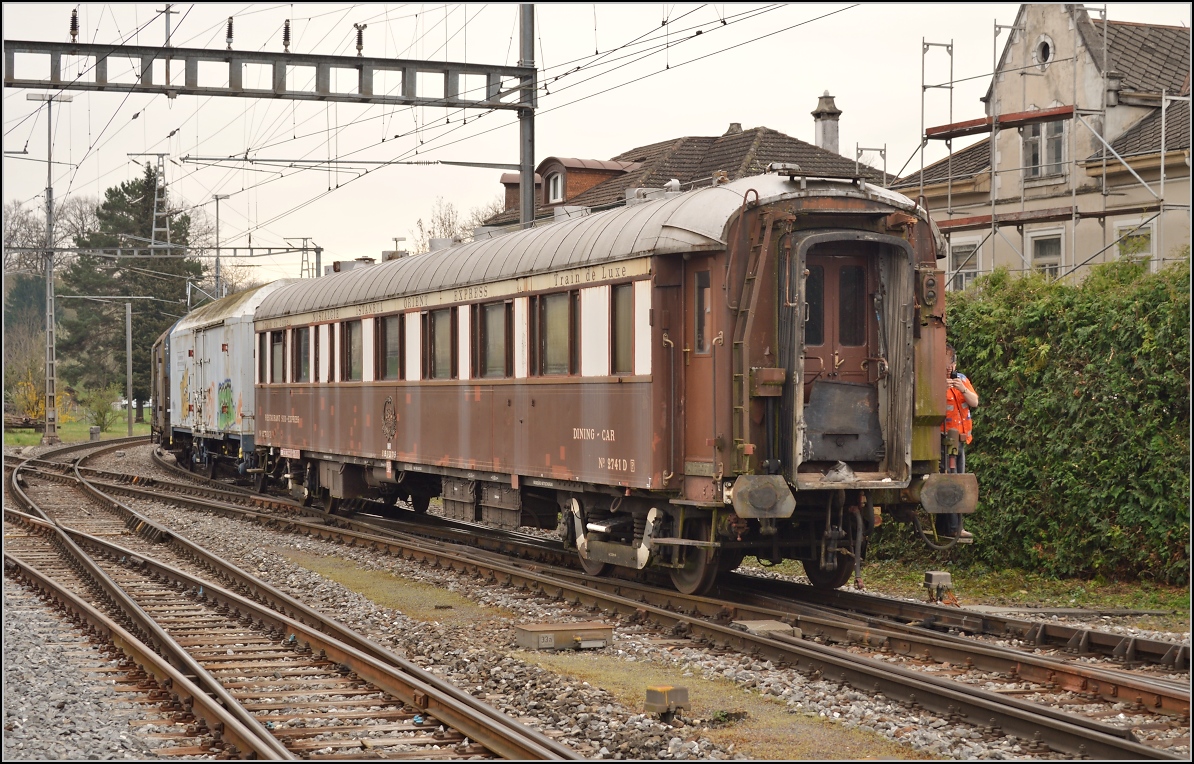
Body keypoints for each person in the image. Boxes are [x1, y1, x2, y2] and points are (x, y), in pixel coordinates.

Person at [939, 343, 978, 542]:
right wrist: (939, 389)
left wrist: (962, 388)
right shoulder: (934, 381)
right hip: (943, 441)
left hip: (961, 440)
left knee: (960, 481)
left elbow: (975, 402)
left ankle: (955, 526)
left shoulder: (962, 380)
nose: (948, 368)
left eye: (950, 364)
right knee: (951, 480)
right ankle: (952, 528)